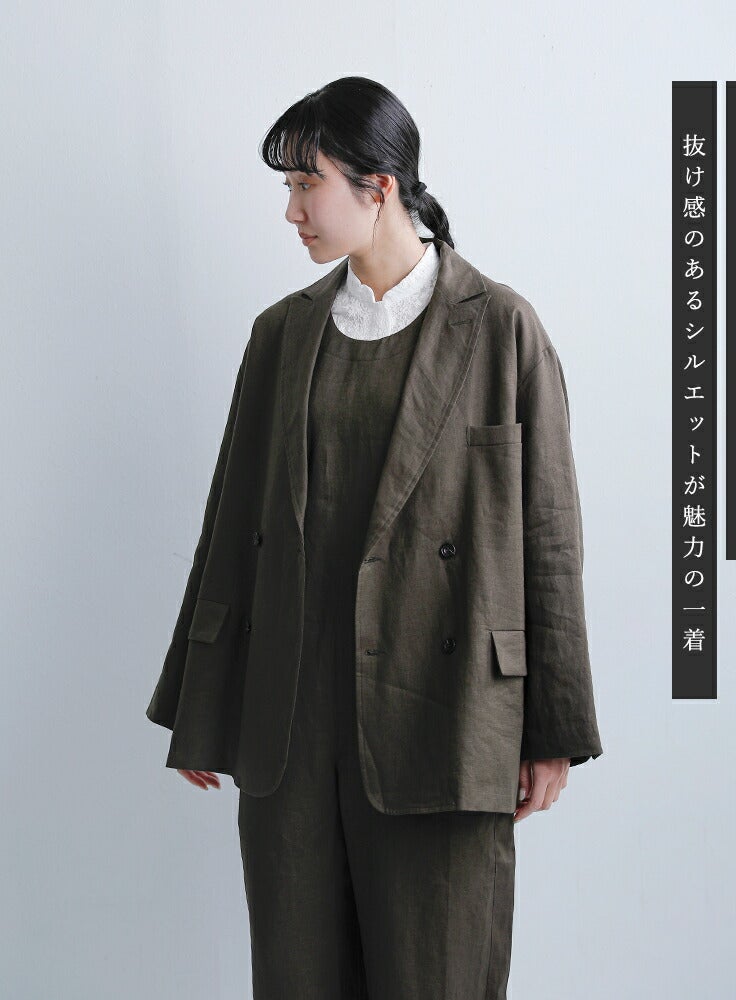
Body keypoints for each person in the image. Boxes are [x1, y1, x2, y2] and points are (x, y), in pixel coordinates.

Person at [147, 75, 602, 999]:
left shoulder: (501, 327)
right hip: (294, 723)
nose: (291, 211)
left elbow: (548, 538)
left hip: (448, 717)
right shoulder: (282, 335)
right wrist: (204, 700)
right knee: (299, 976)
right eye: (287, 188)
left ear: (379, 187)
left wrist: (552, 728)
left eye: (304, 185)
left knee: (439, 975)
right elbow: (231, 528)